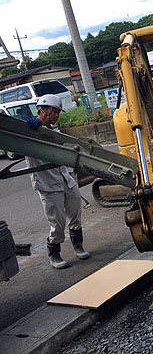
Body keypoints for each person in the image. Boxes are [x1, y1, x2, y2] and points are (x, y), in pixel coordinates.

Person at [26, 94, 91, 269]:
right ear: (44, 110)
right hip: (47, 184)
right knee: (58, 222)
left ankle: (78, 245)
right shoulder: (30, 130)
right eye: (54, 111)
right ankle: (54, 254)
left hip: (65, 179)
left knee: (75, 212)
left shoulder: (55, 131)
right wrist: (29, 127)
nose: (57, 115)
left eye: (58, 112)